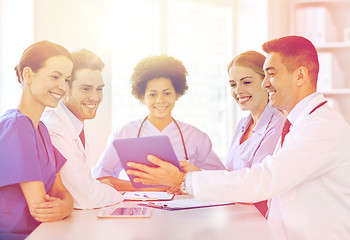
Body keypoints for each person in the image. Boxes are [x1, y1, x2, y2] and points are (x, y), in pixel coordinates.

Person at [126, 36, 350, 239]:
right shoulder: (298, 124)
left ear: (300, 75)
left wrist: (183, 181)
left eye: (271, 74)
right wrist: (194, 178)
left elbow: (264, 179)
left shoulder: (321, 128)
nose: (265, 83)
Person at [92, 55, 225, 191]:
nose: (160, 100)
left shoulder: (196, 137)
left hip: (182, 209)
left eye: (167, 93)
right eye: (152, 94)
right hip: (140, 208)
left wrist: (187, 183)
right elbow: (100, 178)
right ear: (143, 97)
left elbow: (221, 179)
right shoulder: (123, 134)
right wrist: (142, 187)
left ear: (177, 95)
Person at [0, 41, 74, 239]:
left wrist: (66, 206)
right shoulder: (16, 126)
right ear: (28, 75)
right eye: (55, 76)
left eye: (66, 79)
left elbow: (61, 192)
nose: (62, 86)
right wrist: (65, 206)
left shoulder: (41, 129)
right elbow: (41, 208)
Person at [41, 49, 123, 209]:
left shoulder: (74, 124)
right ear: (64, 89)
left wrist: (97, 186)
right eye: (86, 89)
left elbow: (81, 182)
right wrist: (112, 191)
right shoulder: (54, 129)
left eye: (99, 89)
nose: (95, 97)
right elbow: (86, 197)